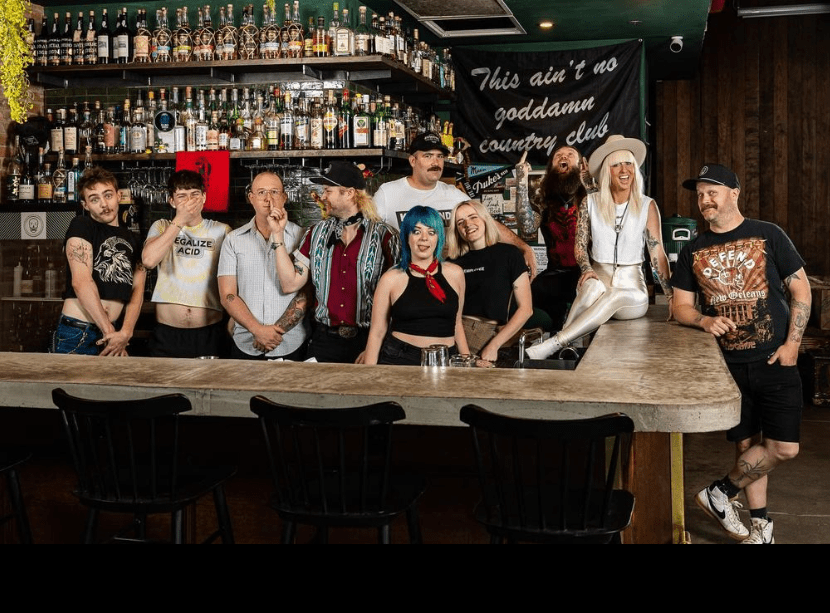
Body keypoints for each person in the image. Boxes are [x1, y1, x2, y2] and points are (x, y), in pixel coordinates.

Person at [672, 164, 811, 545]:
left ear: (734, 193)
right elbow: (679, 306)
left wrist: (792, 345)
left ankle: (720, 492)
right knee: (747, 446)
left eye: (712, 191)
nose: (704, 200)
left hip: (774, 357)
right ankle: (760, 526)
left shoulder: (768, 234)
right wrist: (702, 321)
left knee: (783, 447)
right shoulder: (693, 248)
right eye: (699, 194)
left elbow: (801, 291)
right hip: (729, 366)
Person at [525, 134, 673, 359]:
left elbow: (657, 254)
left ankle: (557, 341)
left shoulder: (646, 205)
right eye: (616, 164)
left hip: (631, 292)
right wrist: (586, 269)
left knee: (614, 295)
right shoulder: (590, 202)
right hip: (598, 280)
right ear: (607, 170)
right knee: (593, 287)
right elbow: (580, 245)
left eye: (629, 164)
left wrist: (671, 297)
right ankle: (566, 344)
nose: (624, 170)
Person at [270, 161, 400, 363]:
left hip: (369, 341)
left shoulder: (385, 236)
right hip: (324, 341)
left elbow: (399, 300)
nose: (322, 196)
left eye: (327, 190)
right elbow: (290, 283)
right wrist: (277, 235)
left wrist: (376, 347)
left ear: (348, 193)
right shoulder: (316, 233)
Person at [373, 131, 538, 277]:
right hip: (402, 279)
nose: (435, 163)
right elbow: (367, 236)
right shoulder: (388, 193)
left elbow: (487, 223)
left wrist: (524, 247)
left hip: (445, 279)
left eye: (440, 156)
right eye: (428, 156)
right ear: (413, 161)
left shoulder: (452, 194)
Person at [51, 166, 146, 356]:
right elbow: (81, 282)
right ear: (85, 205)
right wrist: (108, 331)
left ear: (119, 196)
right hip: (79, 332)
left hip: (115, 335)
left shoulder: (134, 239)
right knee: (72, 387)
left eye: (108, 195)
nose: (104, 204)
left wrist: (126, 333)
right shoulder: (82, 225)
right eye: (94, 199)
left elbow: (137, 290)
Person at [217, 171, 309, 360]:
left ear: (284, 197)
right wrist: (257, 330)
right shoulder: (233, 240)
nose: (268, 199)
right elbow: (228, 295)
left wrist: (274, 333)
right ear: (251, 198)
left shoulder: (303, 237)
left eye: (275, 192)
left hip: (291, 343)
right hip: (246, 341)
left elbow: (307, 292)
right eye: (261, 193)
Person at [141, 170, 232, 358]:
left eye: (194, 195)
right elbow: (149, 260)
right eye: (182, 196)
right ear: (172, 201)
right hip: (167, 333)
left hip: (209, 332)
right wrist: (180, 220)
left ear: (204, 197)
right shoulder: (161, 226)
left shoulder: (222, 230)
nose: (189, 201)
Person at [363, 206, 469, 366]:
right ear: (407, 236)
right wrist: (369, 375)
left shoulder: (456, 273)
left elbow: (457, 323)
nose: (424, 238)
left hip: (446, 360)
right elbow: (377, 332)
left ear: (438, 237)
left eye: (431, 232)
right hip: (400, 359)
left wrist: (467, 361)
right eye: (417, 231)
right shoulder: (391, 278)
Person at [447, 200, 533, 364]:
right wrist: (466, 358)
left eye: (473, 217)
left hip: (490, 333)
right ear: (457, 230)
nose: (468, 224)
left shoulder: (510, 254)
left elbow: (526, 309)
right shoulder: (453, 262)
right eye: (460, 222)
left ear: (485, 219)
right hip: (456, 333)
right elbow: (452, 314)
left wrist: (494, 345)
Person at [515, 145, 589, 328]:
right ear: (551, 167)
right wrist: (521, 183)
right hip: (556, 273)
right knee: (528, 294)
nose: (564, 157)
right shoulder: (543, 198)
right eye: (558, 156)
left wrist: (589, 185)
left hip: (587, 272)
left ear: (581, 165)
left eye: (570, 154)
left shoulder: (591, 194)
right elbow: (527, 229)